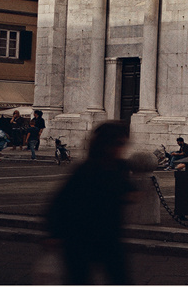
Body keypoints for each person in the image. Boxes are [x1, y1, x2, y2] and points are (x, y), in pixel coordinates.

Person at [46, 120, 135, 285]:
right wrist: (54, 234)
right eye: (118, 143)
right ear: (105, 144)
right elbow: (60, 202)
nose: (121, 148)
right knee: (79, 279)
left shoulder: (120, 167)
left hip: (109, 236)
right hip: (80, 237)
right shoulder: (86, 169)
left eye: (123, 143)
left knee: (121, 279)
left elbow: (127, 191)